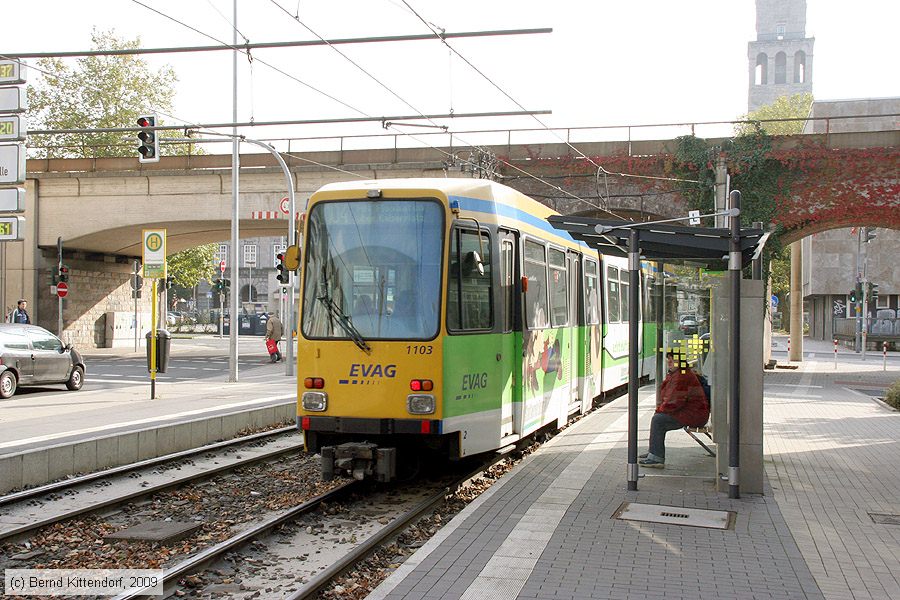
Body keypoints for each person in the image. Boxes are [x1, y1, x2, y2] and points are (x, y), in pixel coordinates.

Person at [639, 351, 710, 468]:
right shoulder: (677, 374)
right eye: (669, 361)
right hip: (692, 413)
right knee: (659, 418)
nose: (669, 363)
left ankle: (656, 457)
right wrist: (661, 409)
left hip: (694, 415)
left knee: (658, 420)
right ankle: (654, 452)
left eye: (673, 361)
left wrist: (660, 410)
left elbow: (674, 401)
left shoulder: (681, 376)